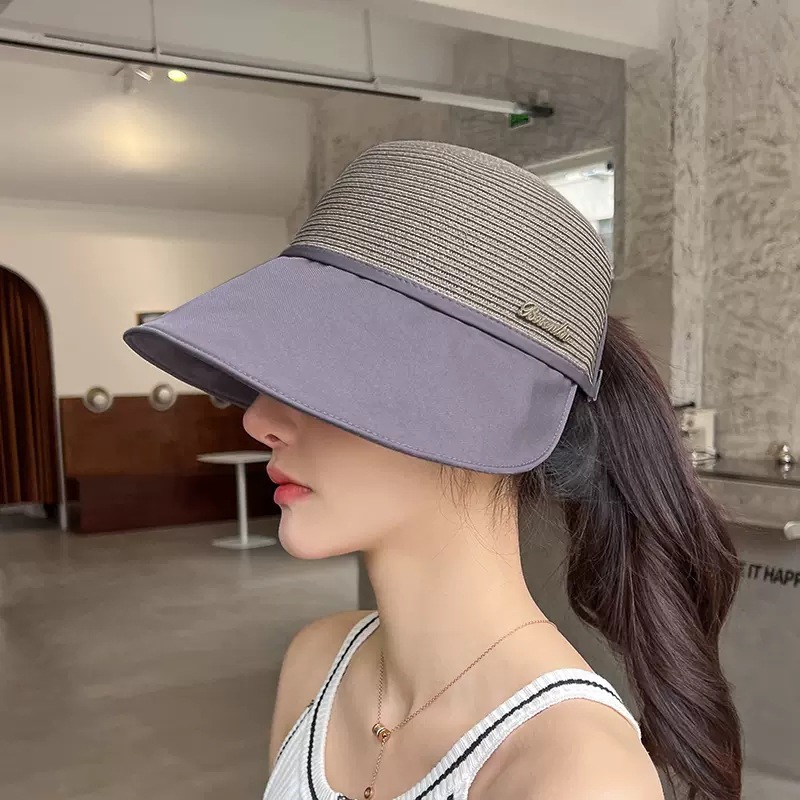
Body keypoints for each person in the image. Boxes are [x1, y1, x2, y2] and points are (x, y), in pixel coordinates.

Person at [124, 140, 742, 800]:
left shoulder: (576, 776)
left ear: (482, 412)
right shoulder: (315, 661)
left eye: (324, 374)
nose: (258, 419)